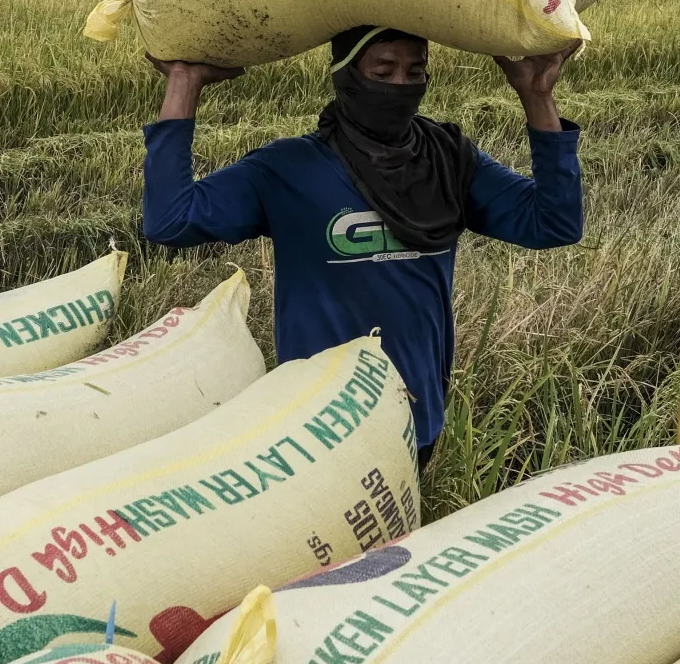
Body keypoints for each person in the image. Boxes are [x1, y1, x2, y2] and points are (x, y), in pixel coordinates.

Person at [143, 26, 583, 470]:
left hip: (416, 416)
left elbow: (553, 223)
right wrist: (184, 84)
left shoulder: (449, 162)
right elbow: (171, 220)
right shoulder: (289, 169)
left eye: (415, 72)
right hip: (315, 425)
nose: (400, 87)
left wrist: (536, 96)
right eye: (383, 71)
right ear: (346, 74)